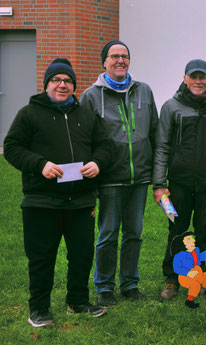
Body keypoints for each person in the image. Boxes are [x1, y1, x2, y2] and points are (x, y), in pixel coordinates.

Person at [4, 58, 110, 327]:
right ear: (47, 84)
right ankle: (38, 309)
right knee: (41, 257)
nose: (62, 85)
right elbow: (13, 147)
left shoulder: (86, 113)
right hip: (42, 201)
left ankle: (78, 301)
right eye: (56, 80)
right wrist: (40, 165)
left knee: (81, 255)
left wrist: (97, 162)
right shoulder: (29, 113)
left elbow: (105, 145)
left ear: (74, 86)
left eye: (68, 81)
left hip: (81, 201)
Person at [80, 40, 158, 307]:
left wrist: (157, 174)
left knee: (134, 233)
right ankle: (104, 287)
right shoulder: (91, 96)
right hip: (110, 178)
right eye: (114, 56)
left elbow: (155, 132)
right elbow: (85, 141)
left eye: (124, 56)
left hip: (140, 178)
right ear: (104, 62)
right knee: (108, 234)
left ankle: (130, 284)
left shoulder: (144, 91)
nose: (120, 61)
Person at [152, 59, 206, 301]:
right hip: (178, 184)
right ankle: (173, 279)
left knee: (204, 230)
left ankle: (205, 276)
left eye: (202, 77)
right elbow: (162, 146)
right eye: (193, 77)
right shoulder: (171, 107)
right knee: (177, 230)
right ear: (185, 79)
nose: (198, 81)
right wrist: (159, 184)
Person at [173, 232, 206, 309]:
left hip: (198, 274)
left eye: (192, 238)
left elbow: (198, 258)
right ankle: (190, 300)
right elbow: (177, 268)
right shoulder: (179, 256)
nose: (193, 240)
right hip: (185, 277)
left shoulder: (195, 250)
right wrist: (188, 273)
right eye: (189, 239)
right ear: (182, 244)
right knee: (195, 284)